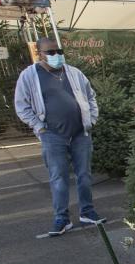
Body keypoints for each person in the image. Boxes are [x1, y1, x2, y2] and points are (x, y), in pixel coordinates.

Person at [15, 37, 105, 236]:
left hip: (80, 133)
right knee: (58, 178)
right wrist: (40, 127)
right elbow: (22, 106)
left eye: (59, 51)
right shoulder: (30, 76)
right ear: (39, 54)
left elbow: (91, 96)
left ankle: (87, 212)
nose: (57, 56)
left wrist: (92, 119)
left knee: (84, 175)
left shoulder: (74, 72)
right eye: (51, 52)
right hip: (52, 136)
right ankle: (62, 219)